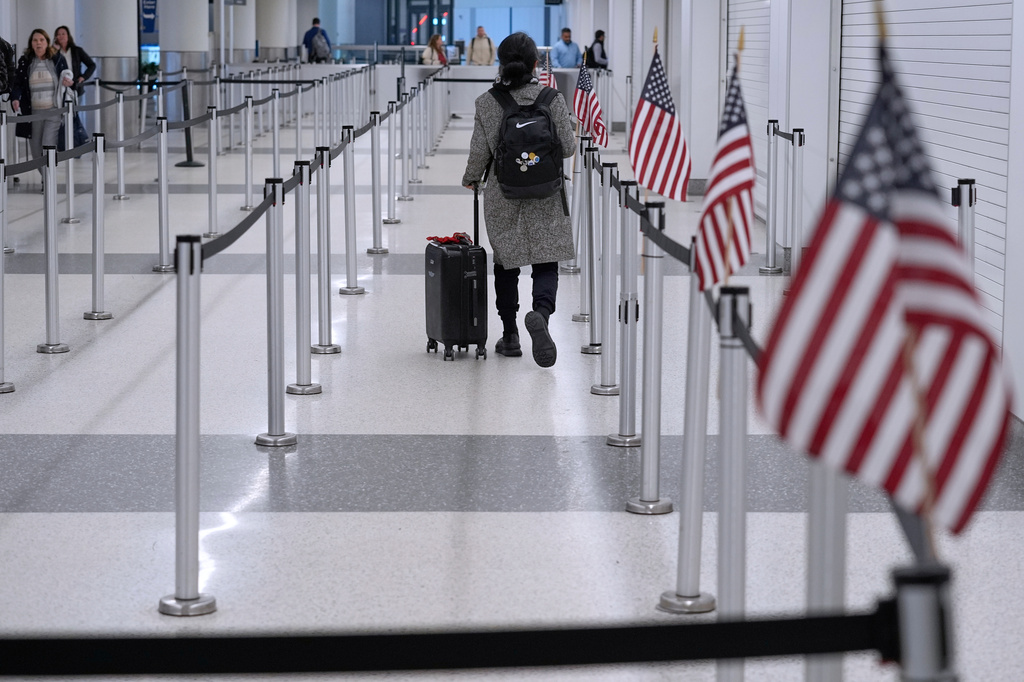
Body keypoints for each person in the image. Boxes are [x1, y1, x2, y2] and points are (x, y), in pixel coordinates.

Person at [461, 32, 575, 368]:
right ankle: (540, 313)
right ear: (535, 63)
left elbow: (480, 150)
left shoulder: (487, 101)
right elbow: (567, 147)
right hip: (547, 192)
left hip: (504, 193)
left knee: (506, 262)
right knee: (546, 259)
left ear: (501, 62)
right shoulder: (552, 99)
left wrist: (471, 177)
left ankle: (510, 335)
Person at [10, 29, 74, 178]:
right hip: (33, 112)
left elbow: (68, 76)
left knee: (48, 145)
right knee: (36, 150)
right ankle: (46, 177)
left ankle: (48, 180)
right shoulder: (25, 61)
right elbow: (18, 84)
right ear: (31, 44)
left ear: (47, 42)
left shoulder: (57, 59)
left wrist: (69, 82)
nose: (38, 43)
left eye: (41, 40)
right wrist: (15, 98)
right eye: (35, 40)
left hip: (53, 111)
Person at [53, 25, 94, 147]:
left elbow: (91, 65)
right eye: (58, 34)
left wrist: (82, 78)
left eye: (63, 33)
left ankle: (75, 142)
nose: (61, 36)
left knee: (73, 116)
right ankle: (62, 143)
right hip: (59, 89)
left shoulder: (77, 50)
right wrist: (54, 52)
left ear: (68, 36)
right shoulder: (53, 51)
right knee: (60, 118)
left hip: (74, 88)